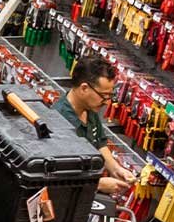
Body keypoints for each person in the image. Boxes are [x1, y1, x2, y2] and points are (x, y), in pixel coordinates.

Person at [58, 55, 138, 198]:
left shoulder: (89, 109)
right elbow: (59, 174)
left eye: (109, 96)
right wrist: (98, 184)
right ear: (84, 88)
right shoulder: (60, 122)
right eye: (104, 96)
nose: (107, 102)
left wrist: (116, 169)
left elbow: (99, 142)